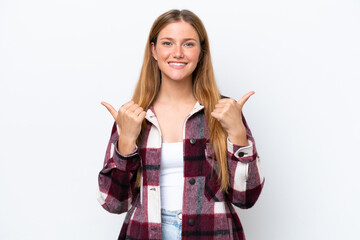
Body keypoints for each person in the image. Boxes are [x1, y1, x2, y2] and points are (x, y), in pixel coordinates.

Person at [98, 9, 264, 240]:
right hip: (146, 232)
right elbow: (114, 203)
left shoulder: (225, 112)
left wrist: (237, 133)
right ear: (154, 50)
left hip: (212, 232)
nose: (177, 53)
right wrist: (125, 142)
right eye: (168, 43)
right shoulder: (134, 115)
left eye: (188, 44)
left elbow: (246, 198)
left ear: (201, 52)